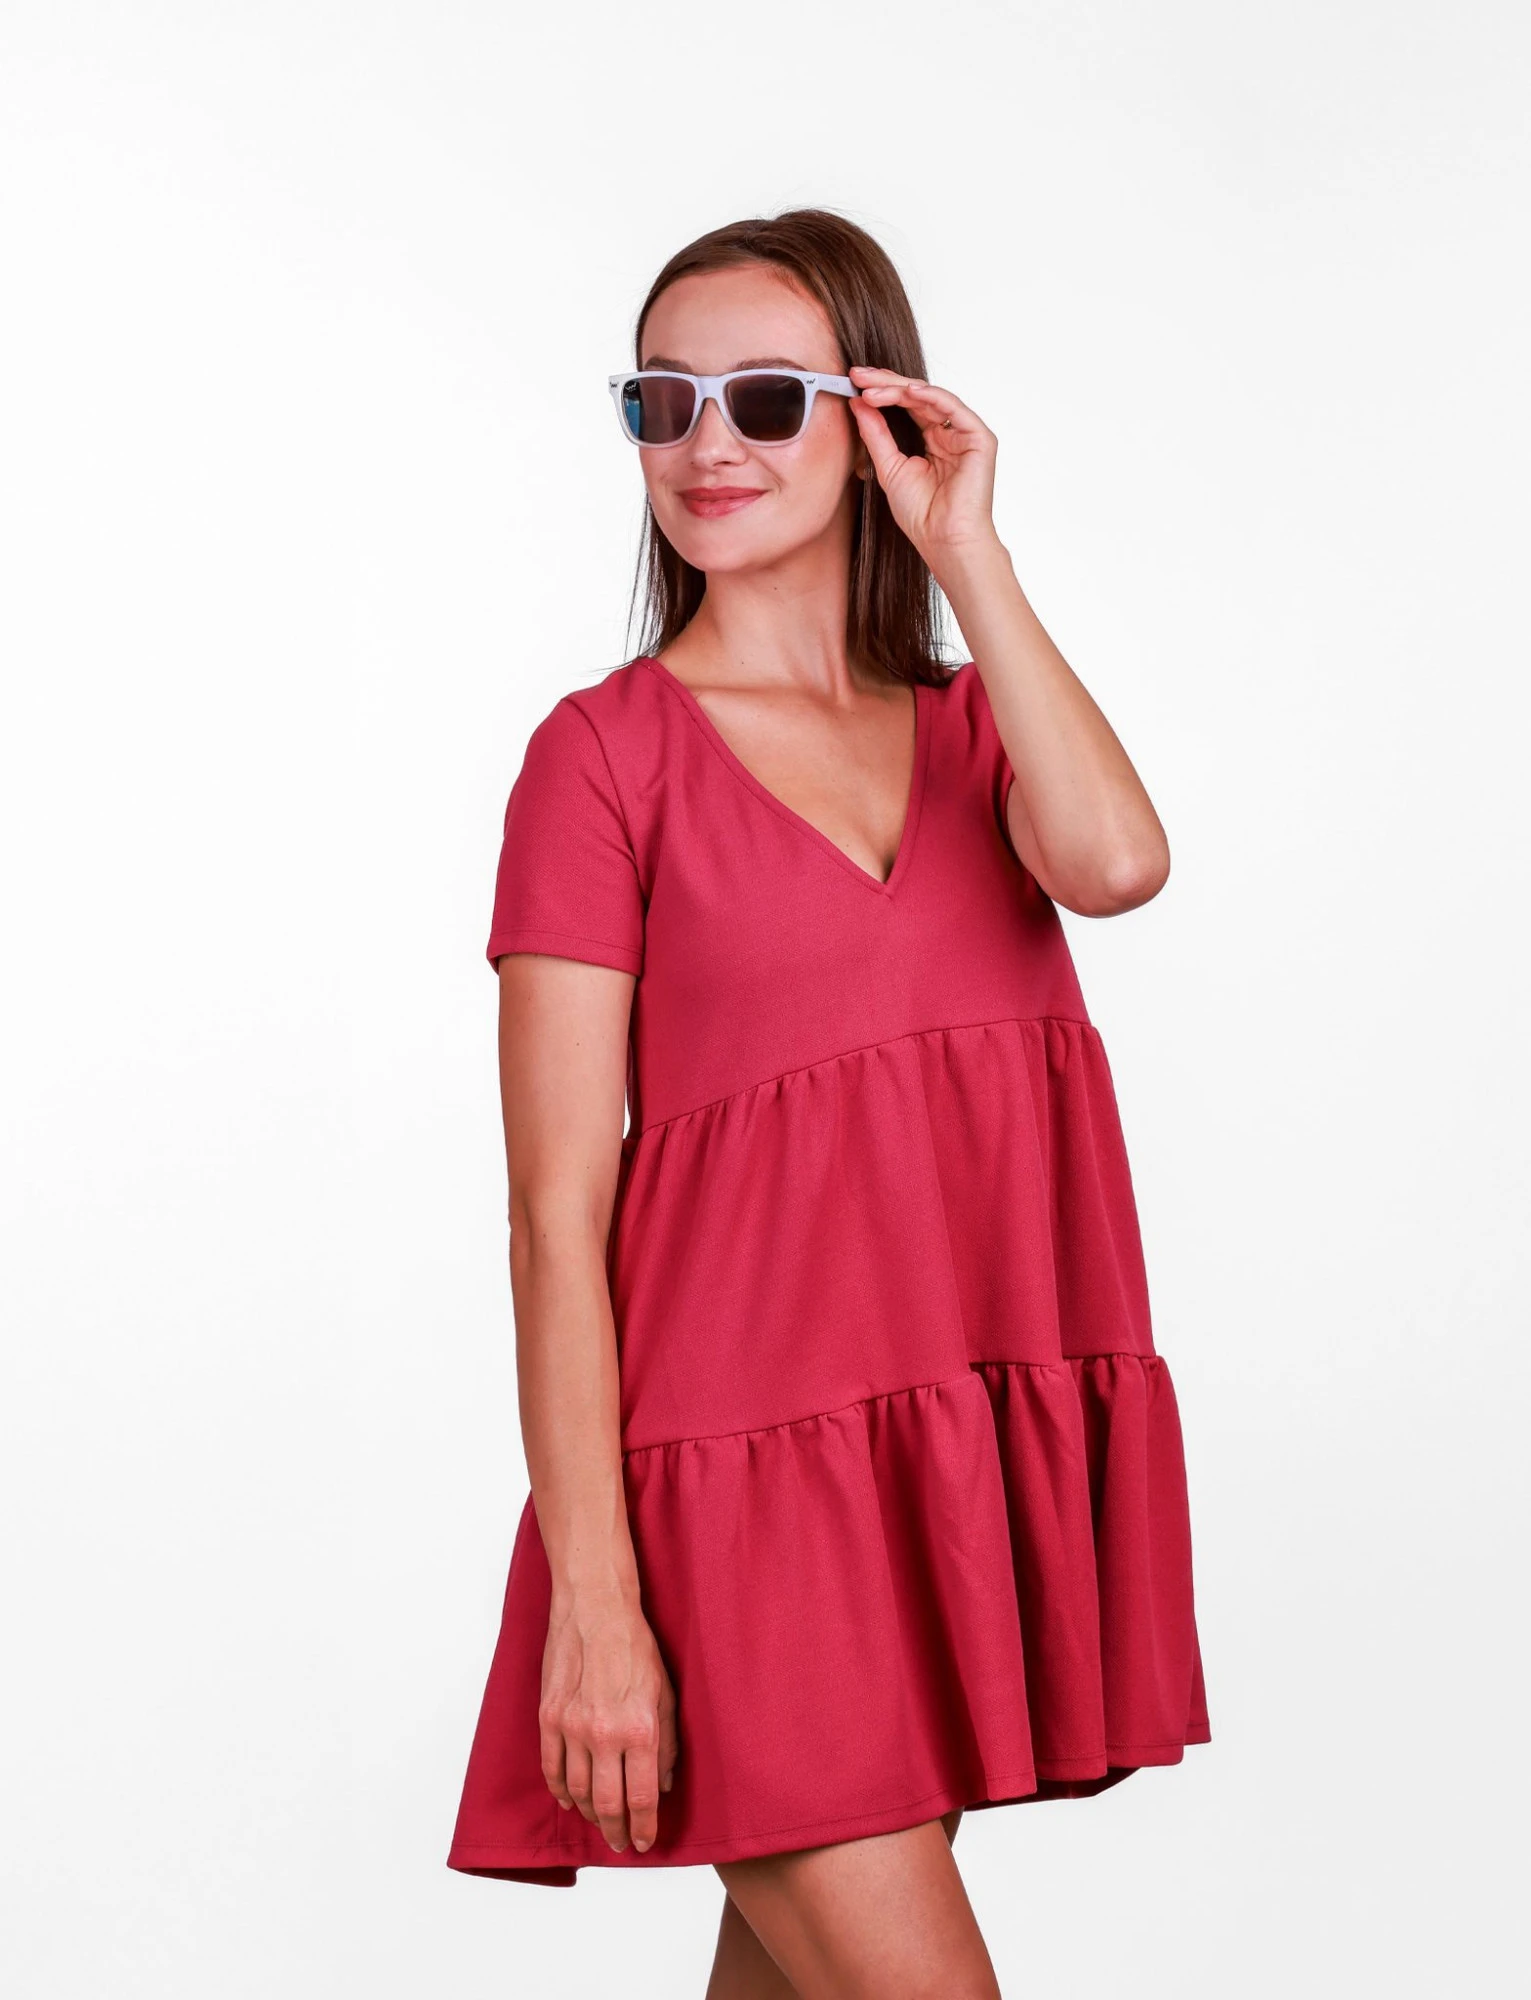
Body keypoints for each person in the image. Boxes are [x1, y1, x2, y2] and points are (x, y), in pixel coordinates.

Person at [446, 207, 1210, 1999]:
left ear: (876, 422)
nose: (705, 443)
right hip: (730, 1514)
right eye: (663, 400)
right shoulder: (600, 761)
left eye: (769, 398)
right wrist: (597, 1602)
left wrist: (970, 557)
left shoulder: (977, 736)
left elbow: (1114, 863)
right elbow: (556, 1215)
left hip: (933, 1482)